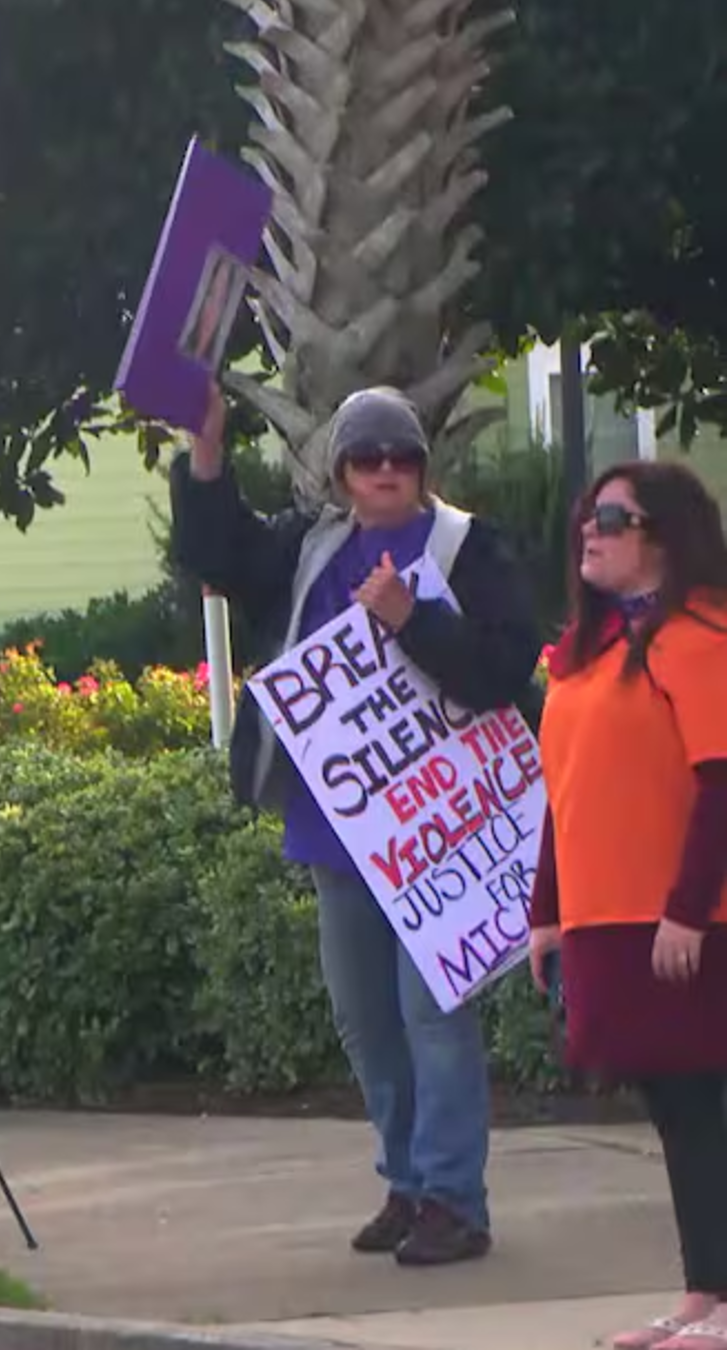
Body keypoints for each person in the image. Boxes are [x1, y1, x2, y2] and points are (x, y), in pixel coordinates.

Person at [170, 384, 540, 1267]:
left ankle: (455, 1198)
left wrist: (412, 622)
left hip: (443, 835)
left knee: (432, 1010)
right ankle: (409, 1181)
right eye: (367, 457)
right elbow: (218, 555)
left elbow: (501, 666)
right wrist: (209, 450)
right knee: (366, 1017)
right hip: (338, 830)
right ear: (339, 472)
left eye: (401, 456)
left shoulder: (466, 548)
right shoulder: (312, 548)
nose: (385, 471)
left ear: (423, 467)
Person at [529, 462, 727, 1349]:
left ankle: (714, 1298)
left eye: (615, 517)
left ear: (665, 536)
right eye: (588, 516)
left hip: (692, 923)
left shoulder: (701, 636)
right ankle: (706, 1294)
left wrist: (689, 909)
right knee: (676, 1104)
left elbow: (721, 784)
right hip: (610, 917)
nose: (591, 531)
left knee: (702, 1101)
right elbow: (563, 790)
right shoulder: (590, 652)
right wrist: (546, 910)